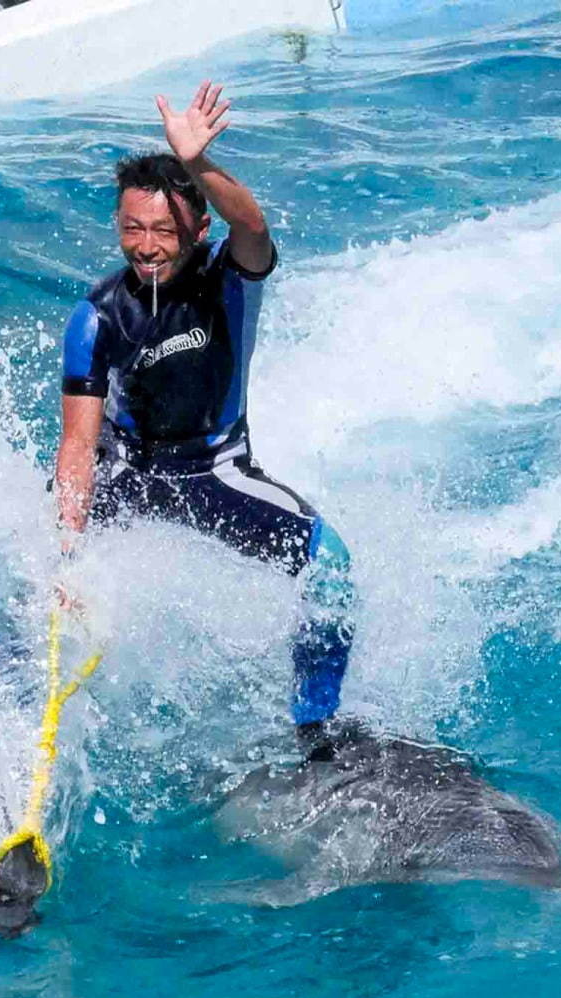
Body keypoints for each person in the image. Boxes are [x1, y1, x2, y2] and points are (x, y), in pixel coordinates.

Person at [53, 80, 355, 732]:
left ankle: (314, 733)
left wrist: (197, 163)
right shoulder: (96, 315)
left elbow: (253, 224)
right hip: (127, 472)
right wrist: (68, 554)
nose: (146, 245)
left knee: (329, 566)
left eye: (164, 229)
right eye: (131, 227)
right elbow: (77, 445)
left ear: (198, 228)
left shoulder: (231, 274)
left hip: (213, 470)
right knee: (48, 583)